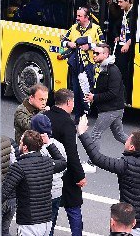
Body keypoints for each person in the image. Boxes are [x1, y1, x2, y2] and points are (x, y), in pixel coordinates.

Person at [79, 108, 140, 236]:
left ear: (132, 147)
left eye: (128, 140)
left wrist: (82, 133)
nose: (125, 141)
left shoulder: (125, 165)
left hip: (133, 225)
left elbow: (97, 158)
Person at [2, 129, 67, 236]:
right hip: (46, 221)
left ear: (25, 147)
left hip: (29, 222)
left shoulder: (19, 167)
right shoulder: (47, 162)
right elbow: (62, 162)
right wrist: (49, 143)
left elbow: (4, 193)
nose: (19, 142)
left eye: (21, 141)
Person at [46, 89, 87, 236]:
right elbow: (72, 153)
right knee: (74, 209)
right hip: (67, 173)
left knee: (50, 213)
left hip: (47, 171)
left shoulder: (44, 116)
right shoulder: (68, 123)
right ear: (69, 102)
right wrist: (80, 176)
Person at [83, 44, 129, 161]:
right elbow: (102, 88)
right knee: (119, 135)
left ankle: (92, 162)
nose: (94, 55)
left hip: (111, 109)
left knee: (95, 134)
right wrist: (92, 94)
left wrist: (95, 97)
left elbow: (112, 93)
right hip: (116, 108)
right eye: (94, 53)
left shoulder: (112, 70)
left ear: (106, 54)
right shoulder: (103, 68)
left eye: (97, 53)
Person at [61, 7, 105, 121]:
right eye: (77, 15)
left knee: (85, 90)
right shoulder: (74, 27)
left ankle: (86, 114)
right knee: (75, 90)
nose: (77, 18)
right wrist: (69, 44)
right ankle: (77, 116)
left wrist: (89, 46)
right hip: (76, 64)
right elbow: (62, 42)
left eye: (80, 16)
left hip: (89, 65)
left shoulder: (96, 28)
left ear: (87, 18)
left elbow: (103, 45)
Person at [31, 113, 68, 234]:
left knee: (34, 225)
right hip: (56, 191)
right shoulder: (59, 145)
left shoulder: (36, 148)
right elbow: (64, 166)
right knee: (50, 225)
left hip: (39, 193)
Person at [111, 0, 136, 95]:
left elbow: (136, 32)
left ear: (128, 1)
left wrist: (128, 44)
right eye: (118, 2)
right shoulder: (123, 12)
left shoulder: (134, 13)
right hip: (120, 44)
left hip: (128, 46)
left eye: (121, 2)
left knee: (124, 70)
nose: (119, 4)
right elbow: (116, 25)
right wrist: (116, 35)